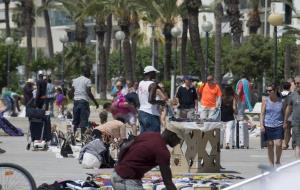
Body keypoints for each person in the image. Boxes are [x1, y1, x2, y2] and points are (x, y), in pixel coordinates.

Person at [111, 129, 181, 190]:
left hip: (116, 175)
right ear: (173, 136)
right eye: (179, 140)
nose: (178, 143)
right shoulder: (163, 151)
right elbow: (167, 181)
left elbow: (124, 146)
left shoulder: (149, 134)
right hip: (127, 180)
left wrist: (119, 166)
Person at [69, 67, 99, 135]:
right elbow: (89, 92)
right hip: (83, 102)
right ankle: (83, 138)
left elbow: (71, 91)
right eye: (89, 72)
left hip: (76, 101)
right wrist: (95, 102)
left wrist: (70, 97)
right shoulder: (87, 80)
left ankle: (73, 137)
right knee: (83, 121)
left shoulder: (75, 80)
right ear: (85, 72)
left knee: (75, 121)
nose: (90, 74)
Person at [138, 65, 168, 133]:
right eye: (154, 72)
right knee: (154, 138)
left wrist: (156, 84)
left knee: (144, 137)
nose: (155, 74)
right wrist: (161, 102)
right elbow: (151, 100)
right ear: (150, 73)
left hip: (141, 112)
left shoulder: (141, 83)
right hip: (150, 114)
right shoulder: (152, 84)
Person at [261, 84, 284, 166]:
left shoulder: (281, 101)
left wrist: (285, 123)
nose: (268, 92)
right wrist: (262, 125)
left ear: (275, 90)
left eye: (270, 90)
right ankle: (271, 164)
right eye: (267, 90)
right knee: (270, 145)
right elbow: (262, 113)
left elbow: (284, 113)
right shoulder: (265, 100)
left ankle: (278, 161)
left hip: (279, 124)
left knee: (279, 144)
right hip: (268, 125)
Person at [284, 76, 300, 159]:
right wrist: (285, 121)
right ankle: (298, 165)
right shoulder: (292, 95)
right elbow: (288, 109)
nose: (298, 85)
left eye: (299, 83)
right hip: (296, 124)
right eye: (296, 83)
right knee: (297, 144)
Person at [281, 81, 292, 150]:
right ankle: (285, 144)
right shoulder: (291, 95)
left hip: (279, 114)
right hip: (289, 114)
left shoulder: (279, 94)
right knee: (287, 129)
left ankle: (283, 143)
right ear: (290, 87)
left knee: (281, 129)